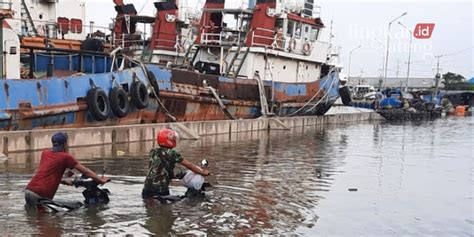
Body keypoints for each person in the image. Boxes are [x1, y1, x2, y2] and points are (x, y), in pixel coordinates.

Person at [25, 132, 109, 209]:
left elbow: (46, 174)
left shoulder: (45, 153)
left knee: (33, 219)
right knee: (44, 223)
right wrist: (101, 180)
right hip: (40, 195)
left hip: (29, 191)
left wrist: (64, 181)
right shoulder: (66, 157)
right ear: (65, 144)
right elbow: (85, 171)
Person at [142, 128, 210, 199]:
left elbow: (158, 170)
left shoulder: (153, 151)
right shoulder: (173, 153)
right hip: (161, 187)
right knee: (167, 207)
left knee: (149, 205)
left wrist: (176, 176)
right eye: (173, 139)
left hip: (147, 187)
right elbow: (189, 165)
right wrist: (203, 172)